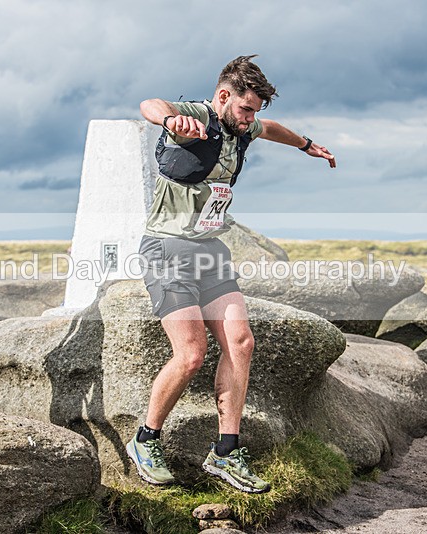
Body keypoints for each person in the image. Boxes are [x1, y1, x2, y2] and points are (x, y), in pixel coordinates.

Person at [125, 55, 336, 493]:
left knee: (241, 342)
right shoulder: (198, 116)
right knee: (191, 355)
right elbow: (150, 103)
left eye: (255, 110)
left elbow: (273, 129)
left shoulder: (243, 128)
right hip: (168, 250)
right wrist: (171, 121)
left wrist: (305, 144)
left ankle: (225, 452)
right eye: (246, 108)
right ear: (224, 96)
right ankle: (145, 440)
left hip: (210, 250)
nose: (251, 118)